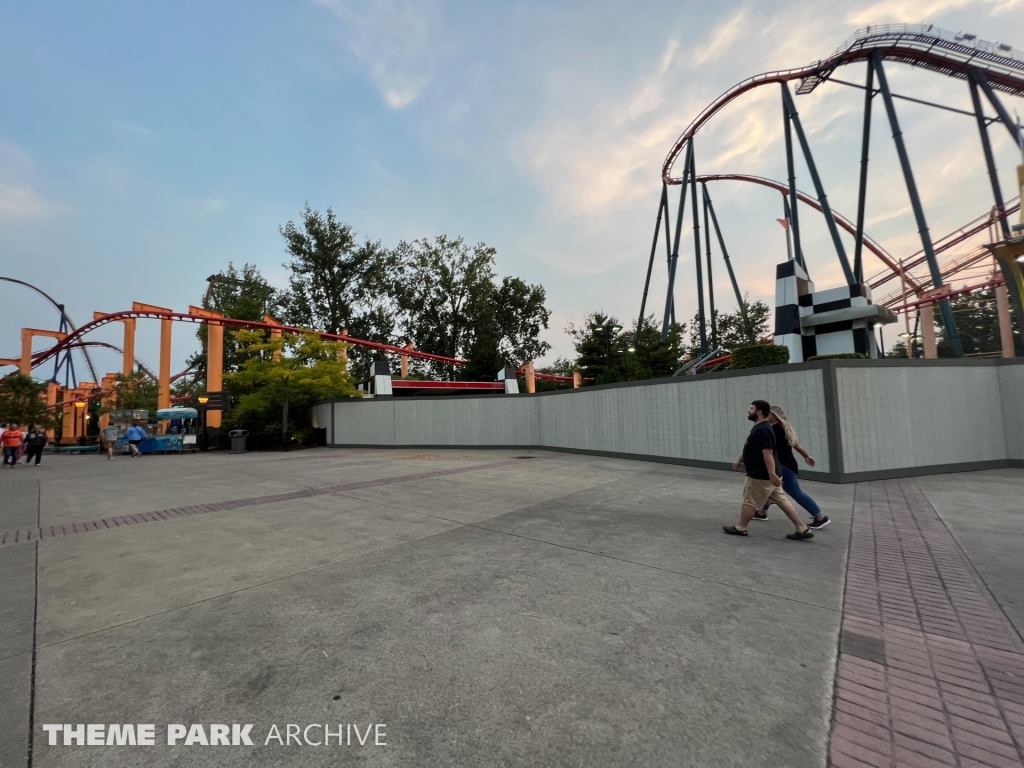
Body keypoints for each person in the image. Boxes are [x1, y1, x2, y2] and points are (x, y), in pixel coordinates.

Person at [723, 400, 813, 540]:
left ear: (759, 412)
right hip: (770, 475)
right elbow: (751, 447)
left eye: (751, 408)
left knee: (749, 500)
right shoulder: (761, 427)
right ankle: (802, 529)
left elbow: (768, 453)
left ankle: (741, 528)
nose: (748, 410)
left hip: (760, 475)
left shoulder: (763, 429)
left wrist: (771, 474)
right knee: (782, 500)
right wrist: (741, 460)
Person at [754, 406, 830, 529]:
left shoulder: (773, 430)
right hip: (786, 464)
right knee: (769, 488)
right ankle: (761, 512)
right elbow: (796, 445)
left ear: (774, 415)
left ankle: (820, 517)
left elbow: (766, 450)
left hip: (782, 466)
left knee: (795, 492)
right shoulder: (783, 428)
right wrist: (807, 456)